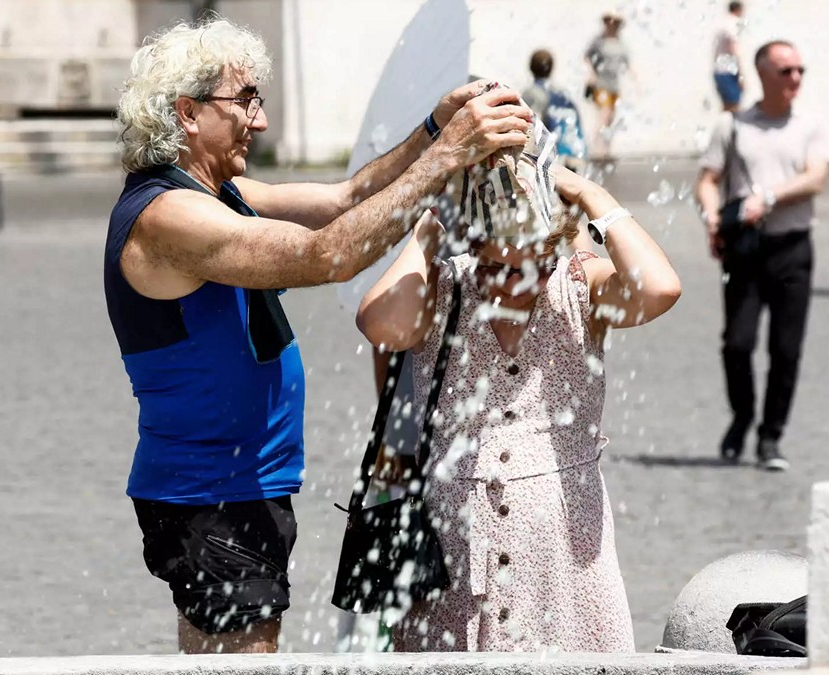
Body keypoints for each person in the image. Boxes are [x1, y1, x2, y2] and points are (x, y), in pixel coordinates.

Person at [104, 17, 532, 654]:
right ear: (188, 114)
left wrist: (435, 130)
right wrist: (450, 157)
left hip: (239, 485)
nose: (261, 120)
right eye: (245, 100)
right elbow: (328, 255)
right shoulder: (170, 216)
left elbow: (346, 198)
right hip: (210, 491)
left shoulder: (222, 192)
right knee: (242, 663)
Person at [356, 122, 680, 651]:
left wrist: (590, 194)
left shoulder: (579, 286)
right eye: (491, 264)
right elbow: (379, 324)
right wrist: (427, 230)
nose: (505, 281)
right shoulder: (445, 288)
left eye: (523, 266)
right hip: (453, 549)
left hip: (565, 556)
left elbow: (661, 287)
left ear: (551, 248)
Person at [694, 41, 829, 471]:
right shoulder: (733, 126)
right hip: (746, 248)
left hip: (792, 246)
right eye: (785, 71)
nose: (795, 78)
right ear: (762, 74)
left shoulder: (812, 124)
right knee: (737, 343)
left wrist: (768, 197)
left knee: (786, 349)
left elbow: (815, 178)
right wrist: (713, 219)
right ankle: (742, 416)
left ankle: (771, 436)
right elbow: (706, 180)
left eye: (799, 70)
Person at [521, 49, 587, 170]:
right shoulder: (563, 94)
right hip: (572, 154)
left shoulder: (531, 94)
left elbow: (530, 127)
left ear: (531, 68)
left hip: (550, 158)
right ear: (551, 68)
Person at [584, 11, 631, 160]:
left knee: (611, 118)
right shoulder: (599, 41)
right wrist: (591, 74)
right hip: (601, 83)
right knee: (603, 115)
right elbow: (587, 57)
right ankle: (596, 149)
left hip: (614, 85)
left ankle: (606, 150)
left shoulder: (619, 42)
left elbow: (627, 62)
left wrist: (636, 80)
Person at [713, 2, 745, 113]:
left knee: (727, 107)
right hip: (728, 71)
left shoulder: (722, 24)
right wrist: (741, 74)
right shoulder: (733, 24)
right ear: (738, 10)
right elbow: (733, 49)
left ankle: (725, 129)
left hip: (719, 69)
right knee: (733, 107)